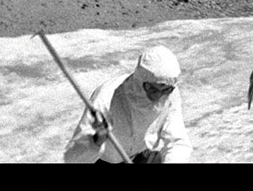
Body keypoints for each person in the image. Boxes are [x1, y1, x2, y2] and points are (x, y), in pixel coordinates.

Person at [63, 45, 192, 164]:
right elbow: (72, 159)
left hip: (140, 156)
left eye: (165, 90)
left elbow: (177, 142)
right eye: (152, 89)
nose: (158, 96)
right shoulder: (107, 95)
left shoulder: (170, 95)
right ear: (140, 81)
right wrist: (96, 140)